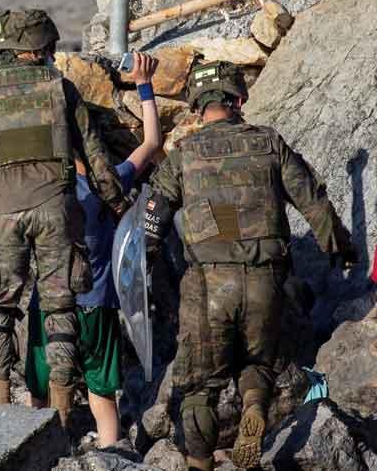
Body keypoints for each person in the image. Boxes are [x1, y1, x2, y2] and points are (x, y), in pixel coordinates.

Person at [142, 60, 354, 471]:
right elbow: (314, 201)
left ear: (196, 107)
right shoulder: (269, 143)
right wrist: (340, 249)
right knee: (260, 359)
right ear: (238, 99)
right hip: (265, 281)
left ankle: (200, 463)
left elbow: (152, 219)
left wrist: (144, 267)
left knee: (200, 386)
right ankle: (254, 408)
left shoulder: (184, 155)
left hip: (207, 286)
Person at [0, 10, 125, 435]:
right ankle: (60, 422)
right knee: (61, 309)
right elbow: (97, 162)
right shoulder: (59, 89)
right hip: (55, 210)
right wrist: (118, 202)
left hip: (1, 213)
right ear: (41, 49)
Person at [25, 52, 161, 450]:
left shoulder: (40, 188)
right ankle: (110, 454)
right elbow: (152, 143)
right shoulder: (108, 185)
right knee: (103, 399)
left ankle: (39, 455)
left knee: (40, 396)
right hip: (97, 305)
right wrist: (143, 84)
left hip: (47, 306)